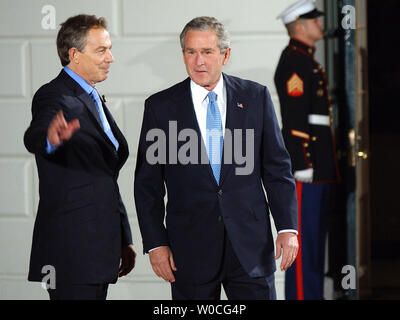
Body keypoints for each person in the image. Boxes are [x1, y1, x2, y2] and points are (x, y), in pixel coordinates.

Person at [134, 16, 299, 300]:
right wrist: (155, 244)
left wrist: (287, 227)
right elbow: (147, 185)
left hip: (249, 248)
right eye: (191, 52)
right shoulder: (160, 107)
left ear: (225, 54)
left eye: (207, 52)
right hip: (189, 251)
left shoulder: (255, 97)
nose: (199, 61)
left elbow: (277, 169)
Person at [24, 14, 136, 300]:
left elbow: (104, 175)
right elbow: (35, 136)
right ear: (74, 55)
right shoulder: (54, 96)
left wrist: (123, 237)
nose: (110, 58)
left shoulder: (92, 96)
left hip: (100, 249)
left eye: (109, 48)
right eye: (101, 50)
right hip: (70, 251)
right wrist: (49, 138)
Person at [274, 0, 340, 300]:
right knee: (303, 251)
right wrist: (303, 164)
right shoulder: (295, 62)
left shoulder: (307, 60)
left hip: (319, 168)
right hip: (307, 169)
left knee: (314, 246)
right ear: (299, 26)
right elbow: (295, 119)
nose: (319, 25)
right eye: (314, 21)